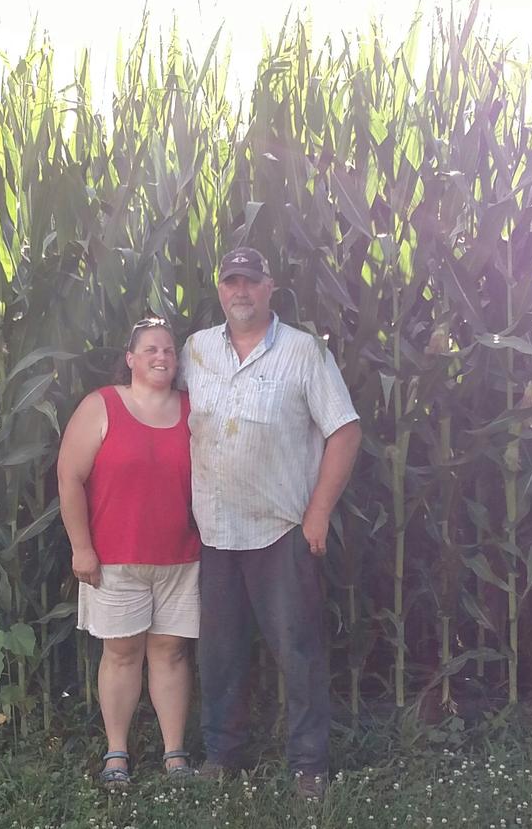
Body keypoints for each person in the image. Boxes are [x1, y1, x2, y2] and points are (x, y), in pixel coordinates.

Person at [180, 247, 362, 801]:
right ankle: (222, 755)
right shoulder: (195, 350)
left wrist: (319, 512)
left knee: (298, 652)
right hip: (215, 530)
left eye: (250, 281)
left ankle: (309, 765)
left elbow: (344, 431)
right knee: (219, 655)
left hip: (281, 530)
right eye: (231, 281)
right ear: (219, 288)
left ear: (269, 287)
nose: (240, 291)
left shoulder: (304, 352)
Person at [57, 317, 201, 787]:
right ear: (130, 358)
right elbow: (69, 477)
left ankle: (175, 755)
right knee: (121, 654)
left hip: (181, 557)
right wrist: (81, 548)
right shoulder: (102, 405)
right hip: (115, 559)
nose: (161, 357)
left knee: (171, 653)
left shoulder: (192, 409)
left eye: (169, 350)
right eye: (151, 349)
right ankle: (116, 754)